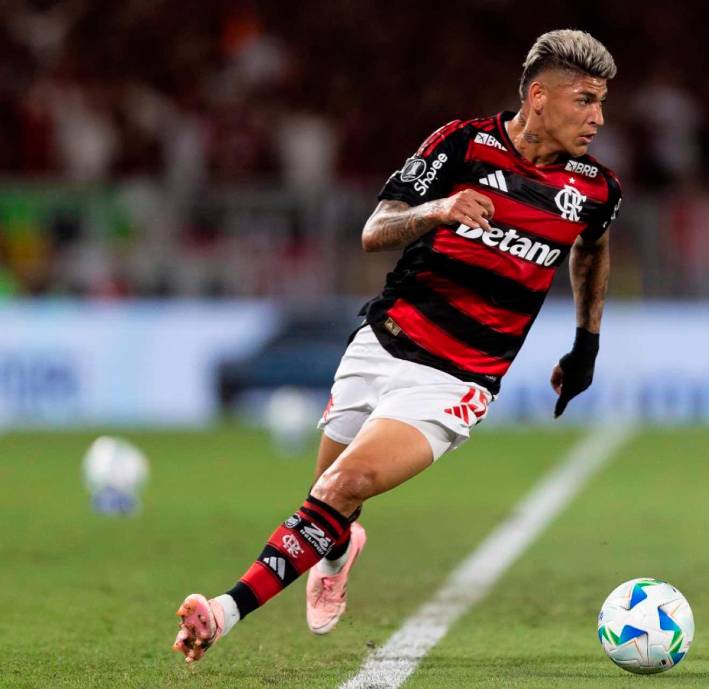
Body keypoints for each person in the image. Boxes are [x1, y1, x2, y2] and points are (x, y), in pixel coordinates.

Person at [172, 28, 622, 663]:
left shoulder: (596, 189)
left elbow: (592, 248)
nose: (598, 118)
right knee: (328, 505)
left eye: (602, 102)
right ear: (539, 97)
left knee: (343, 485)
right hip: (382, 343)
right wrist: (438, 210)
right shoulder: (461, 144)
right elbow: (375, 229)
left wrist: (586, 345)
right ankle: (338, 552)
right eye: (585, 100)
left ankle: (222, 612)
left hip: (456, 378)